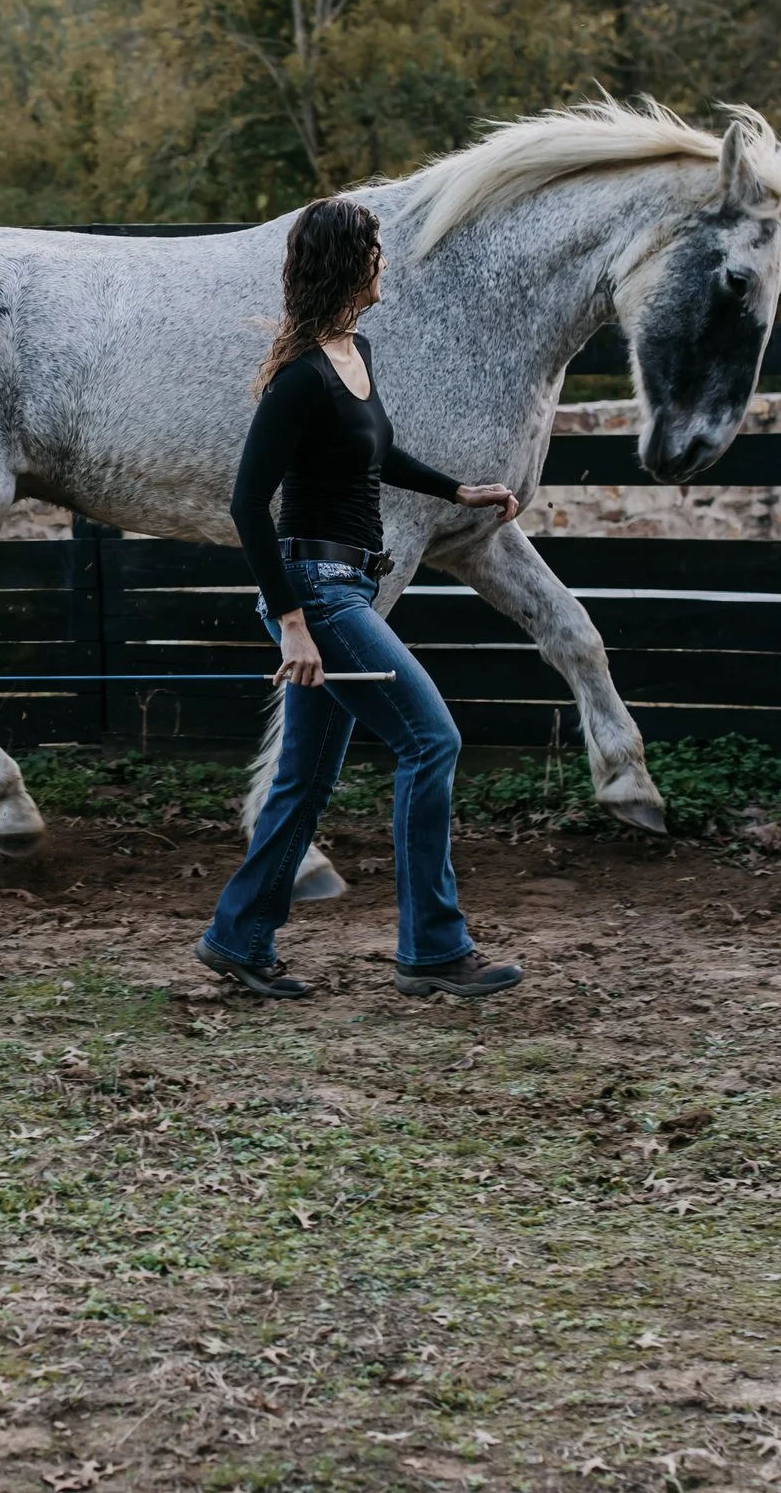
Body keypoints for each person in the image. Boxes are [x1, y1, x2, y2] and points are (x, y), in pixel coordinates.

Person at [196, 196, 527, 1002]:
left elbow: (374, 456)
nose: (385, 263)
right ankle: (434, 951)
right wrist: (294, 627)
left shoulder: (356, 353)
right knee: (432, 742)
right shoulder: (301, 376)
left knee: (303, 781)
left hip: (351, 585)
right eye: (375, 250)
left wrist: (460, 489)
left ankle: (237, 939)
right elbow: (247, 504)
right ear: (350, 263)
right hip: (319, 596)